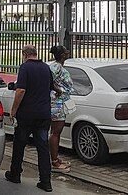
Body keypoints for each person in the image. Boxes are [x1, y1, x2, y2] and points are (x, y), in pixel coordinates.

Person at [6, 45, 54, 192]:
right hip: (44, 115)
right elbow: (50, 87)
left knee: (19, 144)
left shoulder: (25, 67)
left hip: (27, 115)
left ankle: (15, 173)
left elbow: (21, 90)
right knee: (43, 148)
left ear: (25, 54)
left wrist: (13, 110)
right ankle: (45, 182)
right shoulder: (46, 67)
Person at [48, 45, 73, 174]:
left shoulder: (57, 66)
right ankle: (54, 162)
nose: (68, 52)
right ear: (62, 55)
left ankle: (55, 159)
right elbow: (48, 81)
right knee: (55, 133)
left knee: (56, 132)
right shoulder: (55, 67)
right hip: (56, 104)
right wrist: (58, 90)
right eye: (66, 51)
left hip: (59, 103)